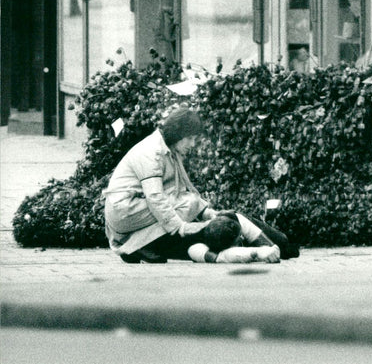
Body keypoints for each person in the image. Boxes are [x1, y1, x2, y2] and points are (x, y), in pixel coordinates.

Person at [102, 107, 284, 263]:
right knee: (185, 206)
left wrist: (206, 212)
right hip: (124, 211)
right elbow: (156, 198)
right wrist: (180, 229)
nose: (193, 144)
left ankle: (141, 247)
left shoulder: (169, 150)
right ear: (177, 134)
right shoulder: (151, 152)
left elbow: (182, 189)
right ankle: (140, 246)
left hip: (136, 208)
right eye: (190, 138)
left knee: (188, 204)